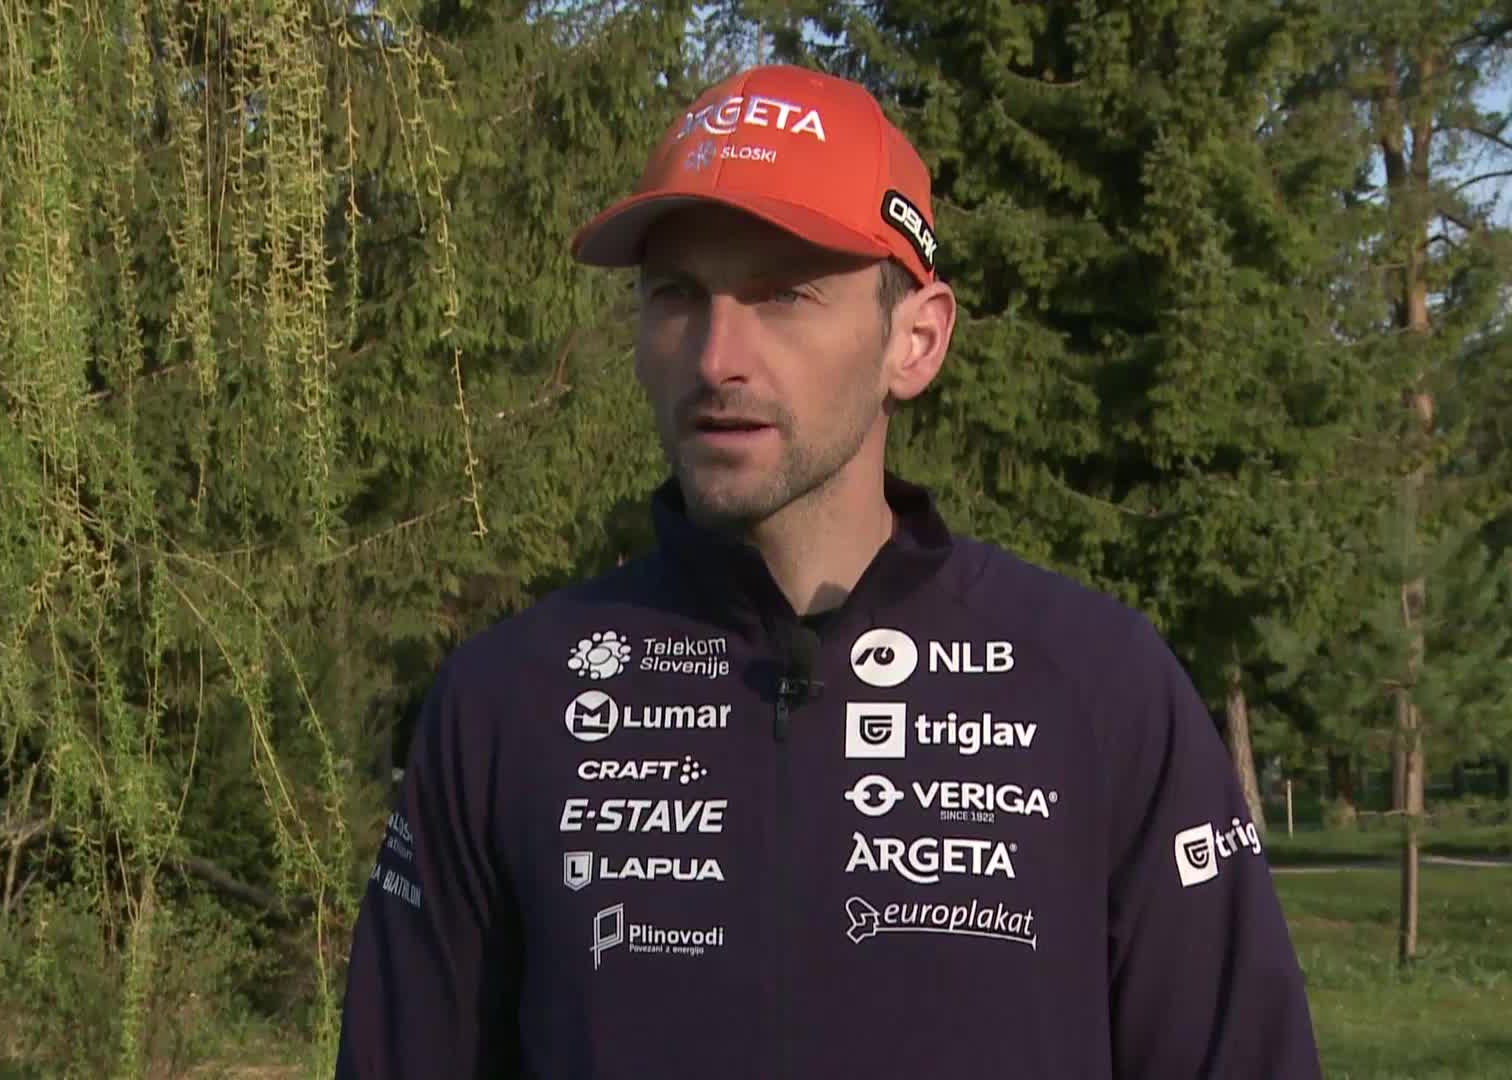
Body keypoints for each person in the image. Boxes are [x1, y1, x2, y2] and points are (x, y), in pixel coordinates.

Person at [332, 63, 1322, 1079]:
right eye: (677, 295)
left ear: (916, 341)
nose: (717, 358)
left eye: (785, 294)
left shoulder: (1099, 687)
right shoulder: (505, 704)